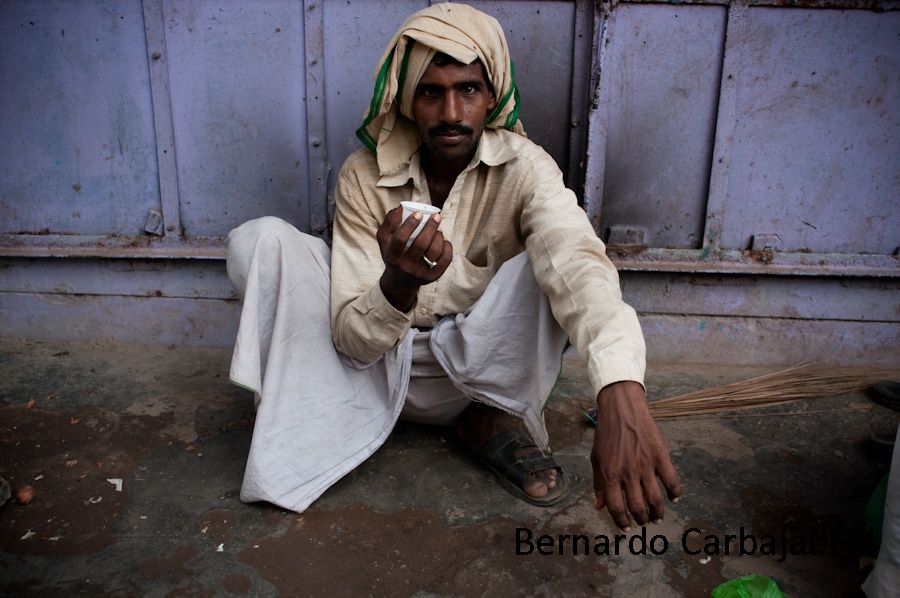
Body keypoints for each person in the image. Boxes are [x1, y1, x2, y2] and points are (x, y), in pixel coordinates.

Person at [226, 3, 681, 530]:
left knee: (556, 261)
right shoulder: (363, 174)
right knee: (258, 240)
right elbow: (352, 340)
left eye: (467, 89)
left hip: (476, 373)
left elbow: (580, 266)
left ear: (492, 97)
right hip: (369, 369)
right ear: (405, 100)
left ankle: (483, 418)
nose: (450, 113)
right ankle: (335, 408)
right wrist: (399, 283)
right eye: (430, 91)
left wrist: (620, 388)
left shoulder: (526, 168)